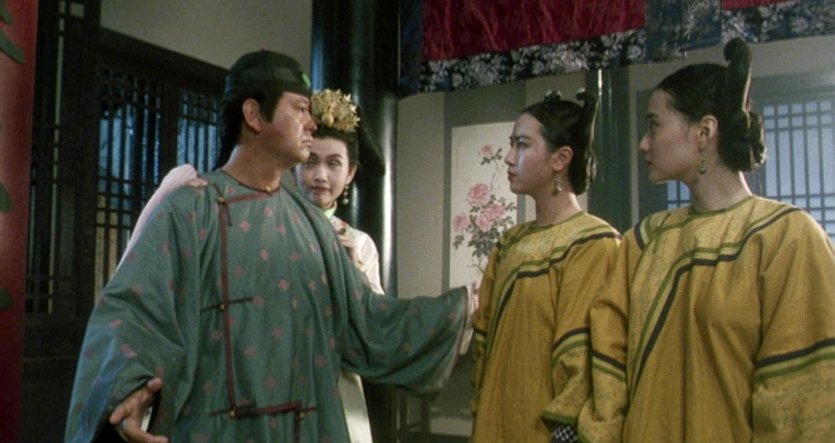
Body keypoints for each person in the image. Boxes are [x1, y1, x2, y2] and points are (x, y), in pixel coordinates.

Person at [65, 50, 476, 443]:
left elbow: (366, 318)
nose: (311, 123)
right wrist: (128, 386)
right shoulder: (191, 209)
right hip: (213, 426)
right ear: (254, 114)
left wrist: (460, 309)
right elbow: (135, 309)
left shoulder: (312, 224)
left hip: (306, 426)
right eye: (300, 109)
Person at [577, 38, 835, 442]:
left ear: (704, 131)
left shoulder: (786, 236)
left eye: (654, 124)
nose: (643, 143)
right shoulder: (644, 240)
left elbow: (802, 394)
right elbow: (609, 366)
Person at [469, 90, 621, 442]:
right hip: (496, 422)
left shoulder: (593, 242)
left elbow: (582, 358)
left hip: (547, 431)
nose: (509, 157)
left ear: (561, 158)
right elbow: (484, 343)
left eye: (522, 145)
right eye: (511, 145)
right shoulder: (510, 242)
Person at [295, 88, 383, 442]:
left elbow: (376, 327)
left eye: (333, 164)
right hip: (280, 372)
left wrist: (354, 277)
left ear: (350, 174)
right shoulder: (272, 227)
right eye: (310, 161)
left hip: (337, 377)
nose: (320, 175)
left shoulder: (359, 244)